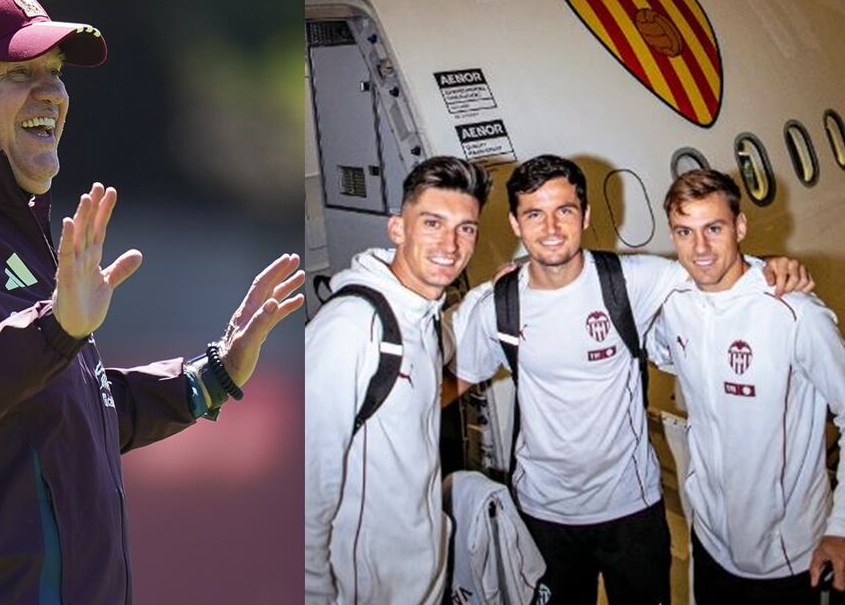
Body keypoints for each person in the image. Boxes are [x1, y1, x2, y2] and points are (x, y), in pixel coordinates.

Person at [0, 0, 303, 603]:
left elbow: (65, 412)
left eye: (54, 71)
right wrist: (56, 330)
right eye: (19, 73)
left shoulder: (2, 229)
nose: (51, 91)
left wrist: (209, 377)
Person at [448, 155, 811, 605]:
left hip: (632, 508)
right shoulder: (499, 305)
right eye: (534, 214)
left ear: (586, 215)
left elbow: (712, 265)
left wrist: (773, 266)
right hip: (543, 513)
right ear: (516, 224)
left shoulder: (632, 280)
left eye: (564, 210)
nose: (552, 228)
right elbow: (454, 381)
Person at [648, 169, 845, 604]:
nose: (699, 248)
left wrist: (841, 528)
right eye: (685, 231)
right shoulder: (674, 304)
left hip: (787, 556)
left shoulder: (795, 314)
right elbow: (658, 348)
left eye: (713, 229)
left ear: (739, 227)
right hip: (712, 542)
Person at [304, 156, 491, 604]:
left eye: (465, 228)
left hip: (421, 580)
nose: (450, 243)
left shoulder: (422, 317)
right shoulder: (351, 329)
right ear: (397, 229)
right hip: (366, 590)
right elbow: (303, 492)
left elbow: (417, 401)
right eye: (432, 223)